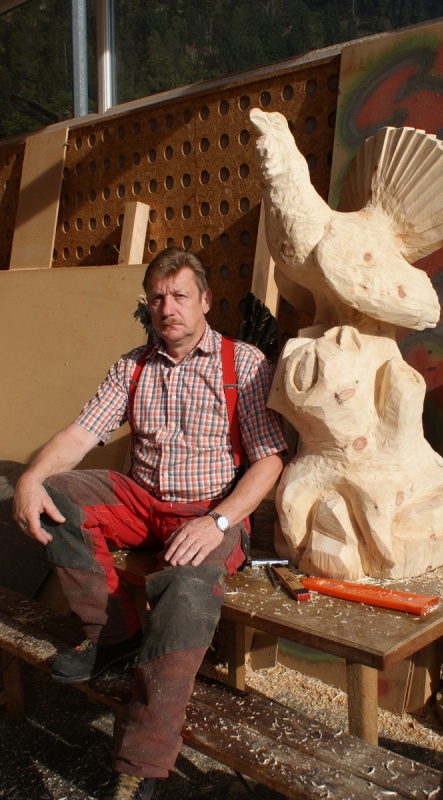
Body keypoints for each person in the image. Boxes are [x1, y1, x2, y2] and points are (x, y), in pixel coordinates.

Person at [12, 246, 287, 800]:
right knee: (56, 496)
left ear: (205, 300)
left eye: (180, 295)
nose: (168, 308)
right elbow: (81, 434)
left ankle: (143, 759)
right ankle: (114, 635)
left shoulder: (243, 364)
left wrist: (218, 521)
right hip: (143, 503)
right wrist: (30, 478)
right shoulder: (132, 366)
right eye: (157, 298)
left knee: (186, 590)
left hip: (212, 510)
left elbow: (270, 460)